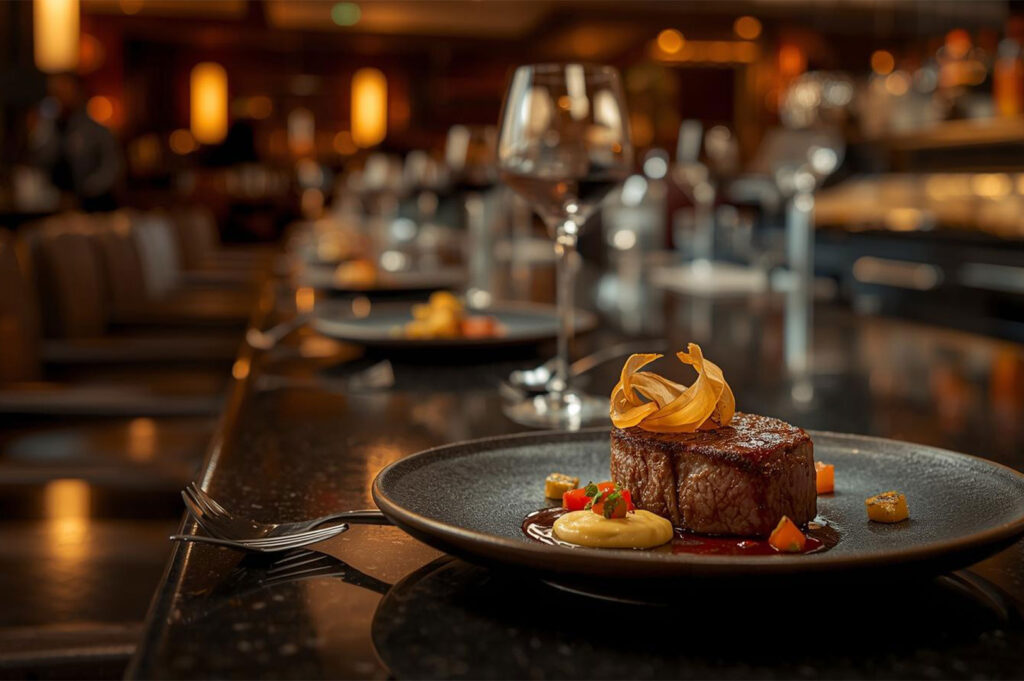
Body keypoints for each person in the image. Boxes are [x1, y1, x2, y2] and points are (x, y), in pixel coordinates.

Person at [30, 73, 121, 212]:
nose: (60, 98)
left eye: (64, 91)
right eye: (56, 93)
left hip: (93, 206)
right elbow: (39, 164)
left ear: (78, 92)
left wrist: (87, 192)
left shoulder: (96, 130)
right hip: (54, 206)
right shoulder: (48, 128)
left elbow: (111, 168)